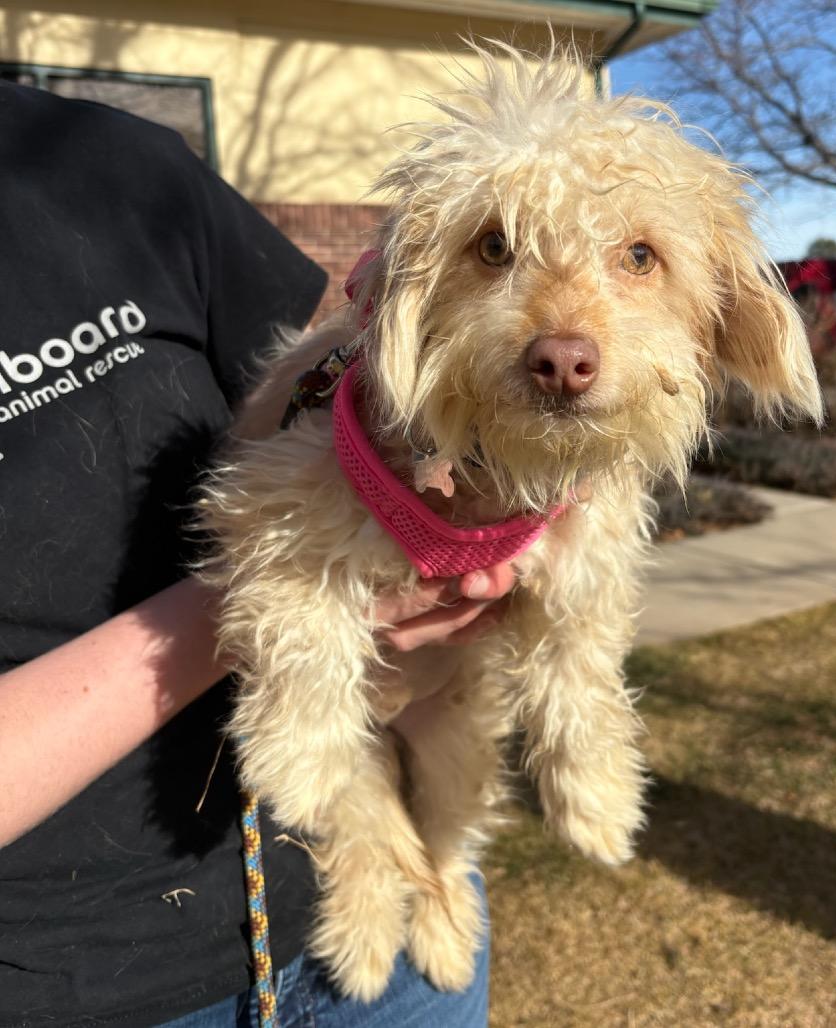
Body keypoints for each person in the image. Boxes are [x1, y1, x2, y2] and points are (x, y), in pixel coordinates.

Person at [0, 80, 510, 1027]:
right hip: (90, 991)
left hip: (382, 918)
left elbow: (303, 398)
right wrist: (282, 589)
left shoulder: (106, 161)